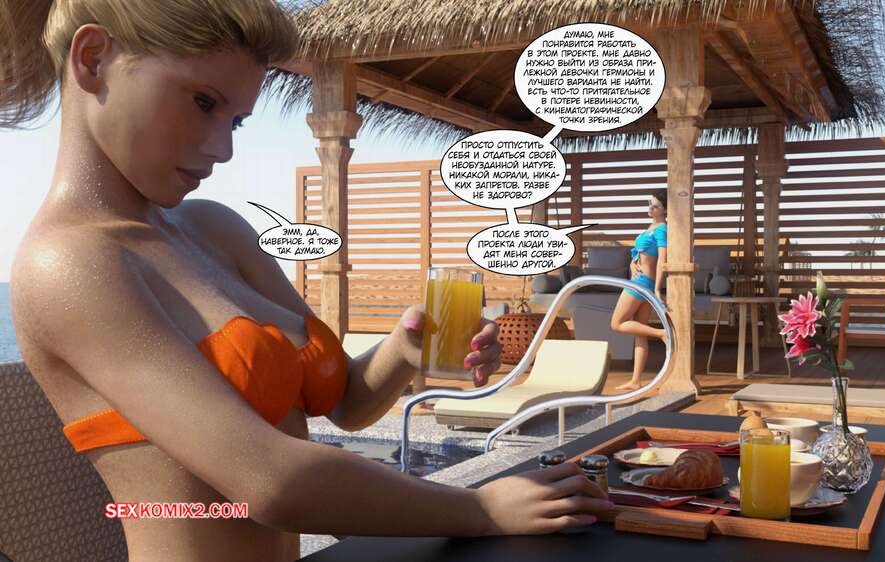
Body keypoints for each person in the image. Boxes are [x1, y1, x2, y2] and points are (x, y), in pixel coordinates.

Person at [2, 1, 609, 560]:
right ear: (93, 59)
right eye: (204, 102)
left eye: (238, 122)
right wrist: (480, 509)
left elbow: (345, 402)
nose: (223, 149)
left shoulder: (215, 230)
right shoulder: (68, 264)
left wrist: (406, 349)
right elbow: (269, 480)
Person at [609, 190, 668, 391]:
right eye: (650, 203)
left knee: (617, 323)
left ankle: (662, 333)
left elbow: (662, 260)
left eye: (656, 205)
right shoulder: (652, 227)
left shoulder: (661, 229)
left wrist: (658, 289)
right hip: (642, 281)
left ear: (665, 210)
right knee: (639, 332)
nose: (650, 208)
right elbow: (642, 253)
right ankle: (636, 380)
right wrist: (633, 262)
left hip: (642, 283)